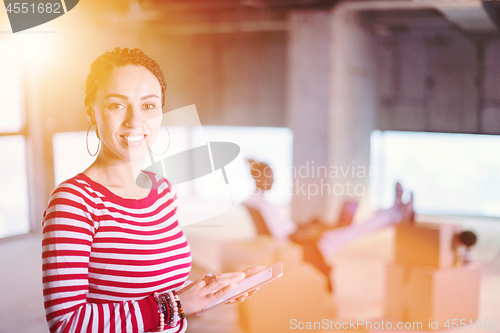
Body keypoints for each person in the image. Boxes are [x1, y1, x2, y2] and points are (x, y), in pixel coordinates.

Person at [41, 47, 263, 333]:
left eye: (148, 105)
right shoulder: (74, 201)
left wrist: (220, 289)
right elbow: (66, 324)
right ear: (91, 112)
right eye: (116, 105)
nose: (134, 121)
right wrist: (176, 306)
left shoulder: (163, 191)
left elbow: (168, 290)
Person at [244, 159, 414, 293]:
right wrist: (315, 231)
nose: (274, 180)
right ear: (261, 177)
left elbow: (286, 229)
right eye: (271, 175)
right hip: (301, 246)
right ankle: (395, 212)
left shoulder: (260, 200)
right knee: (354, 230)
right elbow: (286, 236)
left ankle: (394, 212)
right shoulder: (261, 203)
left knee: (350, 228)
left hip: (299, 238)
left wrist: (312, 226)